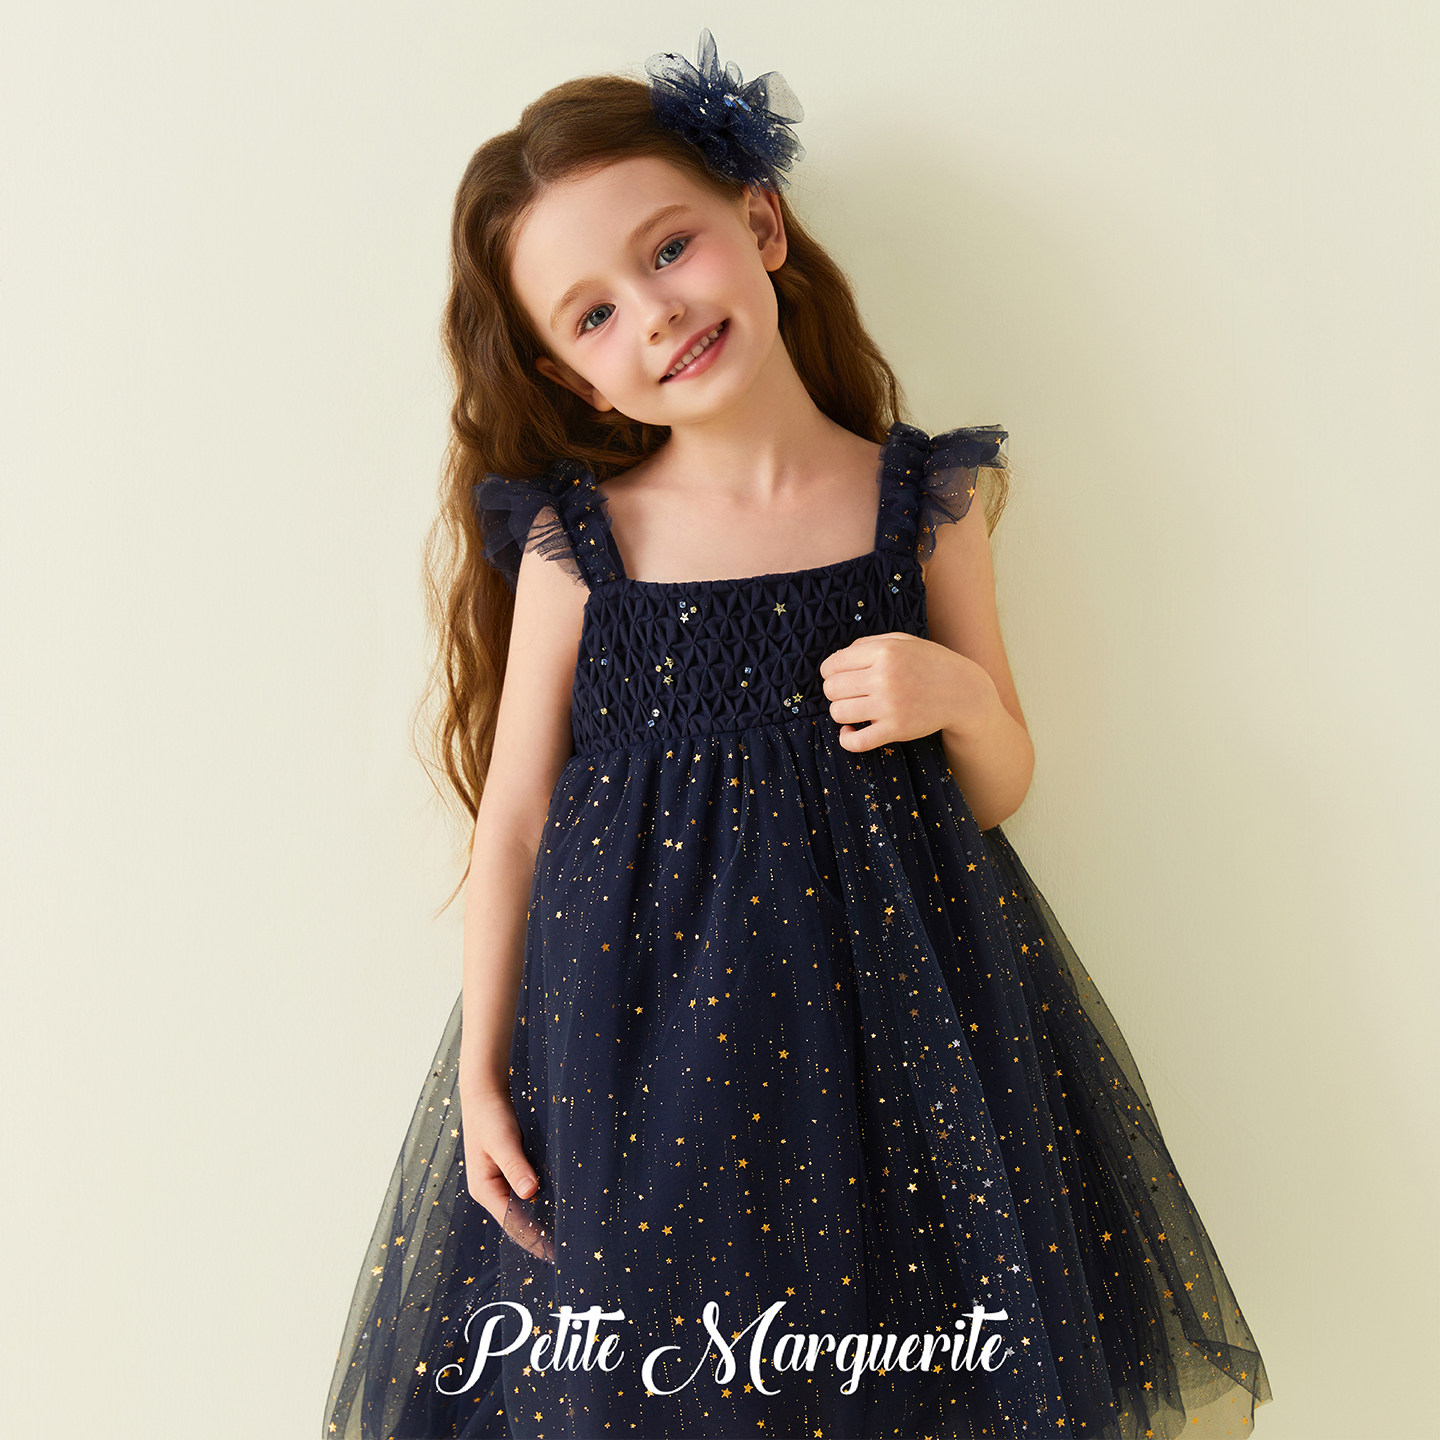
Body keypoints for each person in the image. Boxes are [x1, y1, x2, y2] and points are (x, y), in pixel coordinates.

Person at [324, 29, 1271, 1440]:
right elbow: (514, 819)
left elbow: (996, 786)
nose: (655, 314)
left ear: (760, 223)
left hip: (899, 1037)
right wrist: (482, 1079)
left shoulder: (922, 507)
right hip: (635, 1050)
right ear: (578, 382)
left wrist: (956, 699)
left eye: (670, 249)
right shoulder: (583, 553)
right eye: (593, 317)